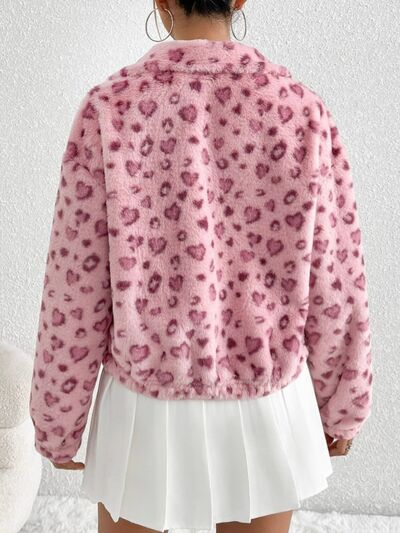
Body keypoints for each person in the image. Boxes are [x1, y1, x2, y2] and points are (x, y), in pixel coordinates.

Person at [29, 0, 373, 532]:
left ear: (160, 0)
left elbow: (74, 283)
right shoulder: (301, 110)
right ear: (240, 0)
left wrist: (58, 419)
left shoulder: (110, 109)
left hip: (144, 410)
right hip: (266, 405)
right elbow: (337, 276)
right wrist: (344, 403)